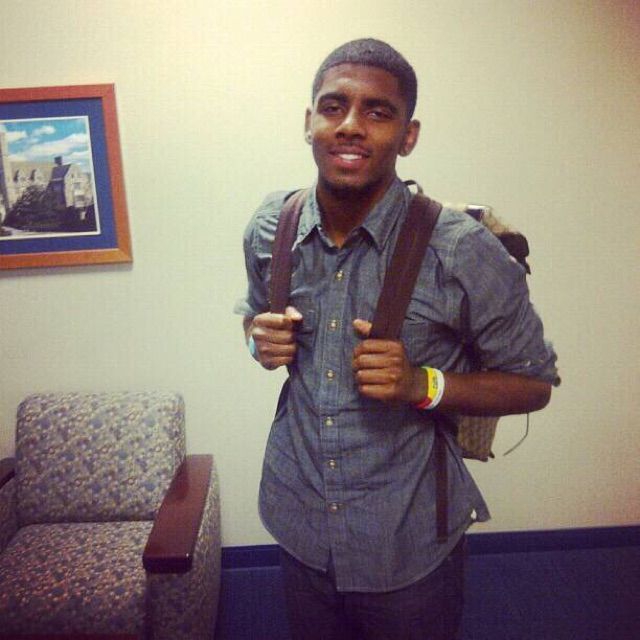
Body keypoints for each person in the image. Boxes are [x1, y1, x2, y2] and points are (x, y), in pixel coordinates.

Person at [235, 38, 559, 640]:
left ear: (407, 136)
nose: (350, 125)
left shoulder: (461, 249)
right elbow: (253, 319)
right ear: (309, 122)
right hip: (299, 517)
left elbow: (534, 384)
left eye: (378, 112)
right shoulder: (270, 225)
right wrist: (258, 341)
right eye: (333, 107)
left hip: (405, 535)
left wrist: (421, 384)